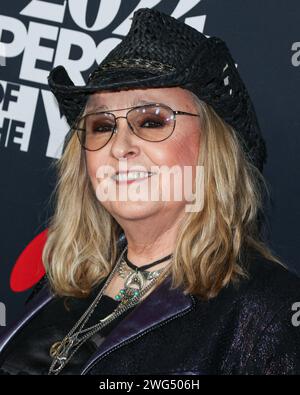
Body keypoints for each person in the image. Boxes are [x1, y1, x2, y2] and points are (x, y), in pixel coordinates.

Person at [0, 7, 299, 375]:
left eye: (152, 121)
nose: (119, 145)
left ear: (212, 147)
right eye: (101, 125)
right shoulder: (65, 282)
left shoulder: (265, 311)